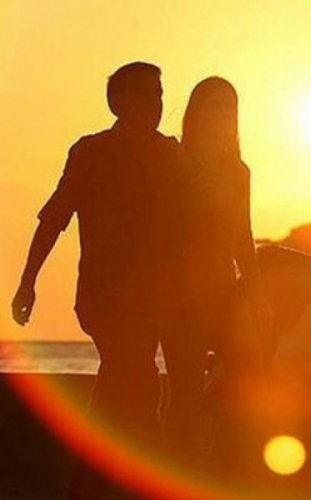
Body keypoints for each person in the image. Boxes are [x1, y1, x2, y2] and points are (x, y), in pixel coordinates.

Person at [10, 62, 194, 484]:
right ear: (117, 102)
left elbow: (194, 226)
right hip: (104, 296)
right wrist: (27, 282)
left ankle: (92, 479)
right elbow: (54, 218)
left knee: (125, 382)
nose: (154, 103)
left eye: (158, 93)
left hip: (156, 301)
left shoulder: (172, 155)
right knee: (138, 377)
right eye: (143, 93)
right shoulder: (91, 152)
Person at [180, 76, 270, 473]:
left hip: (222, 287)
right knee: (184, 384)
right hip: (179, 290)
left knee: (244, 378)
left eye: (229, 106)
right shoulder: (175, 160)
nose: (222, 114)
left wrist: (256, 293)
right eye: (213, 105)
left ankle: (229, 468)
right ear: (195, 112)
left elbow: (242, 235)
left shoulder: (238, 171)